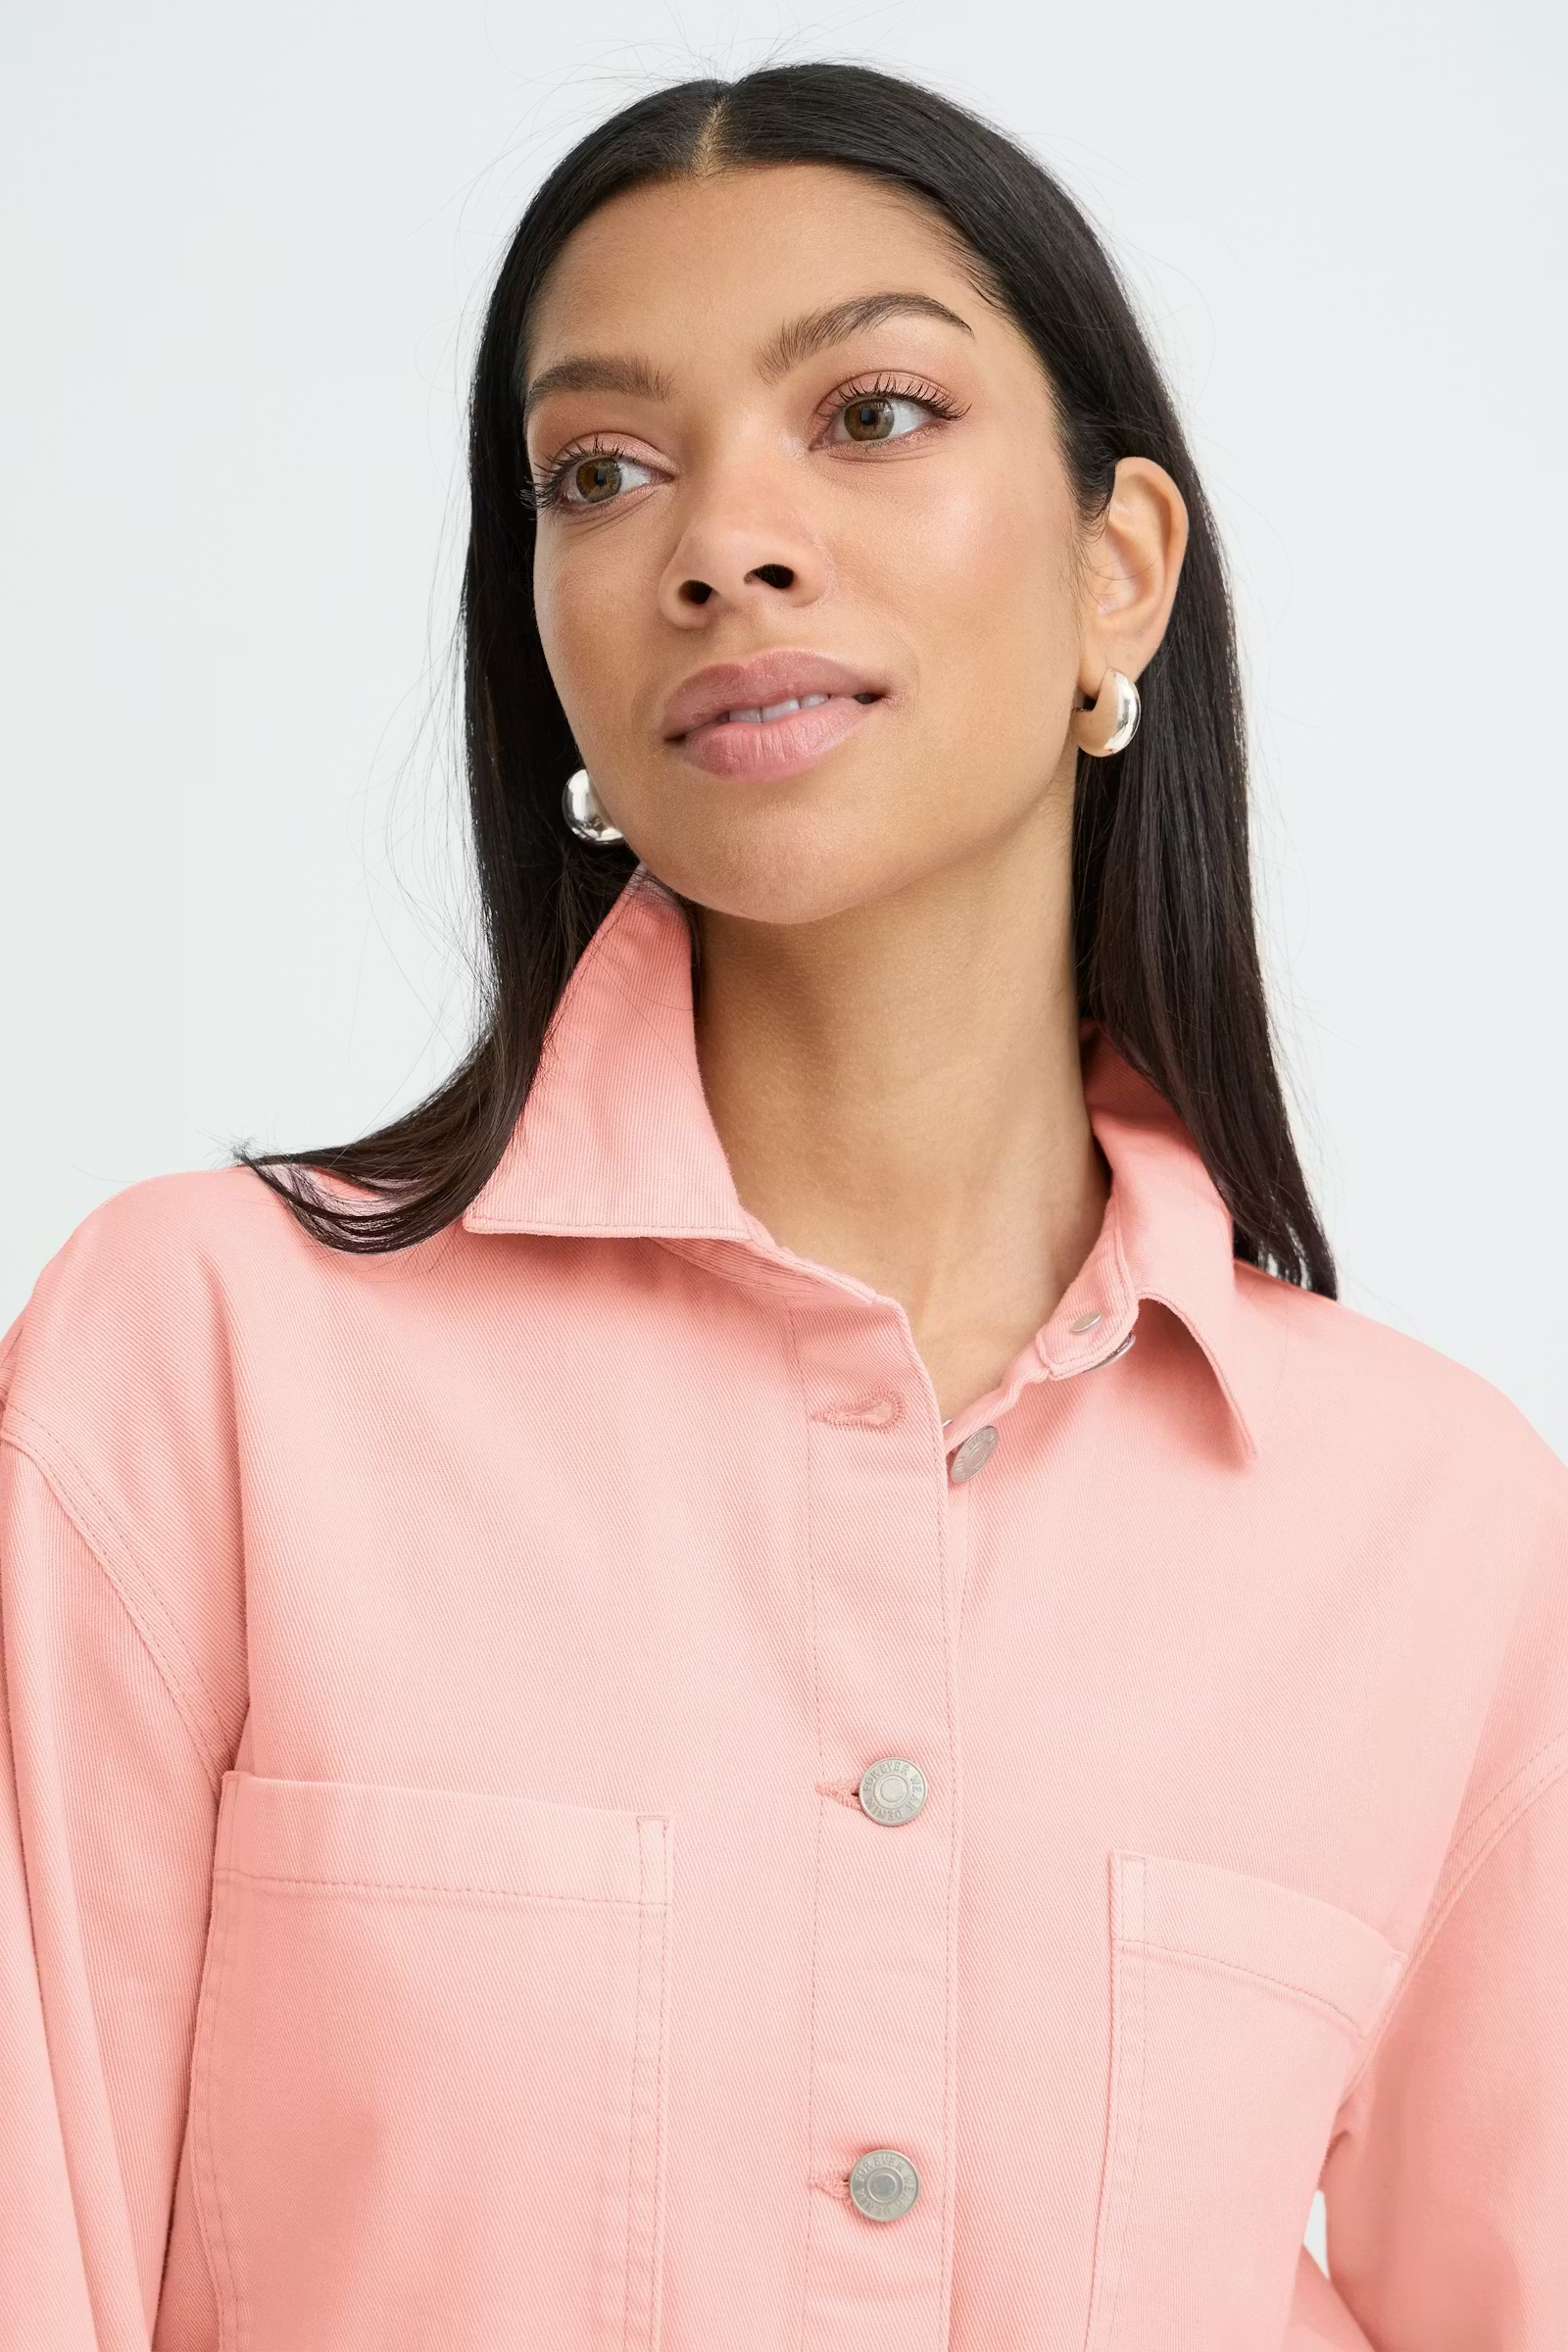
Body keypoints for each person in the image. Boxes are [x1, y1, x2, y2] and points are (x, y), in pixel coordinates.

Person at [2, 60, 1564, 2352]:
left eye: (871, 415)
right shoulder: (199, 1371)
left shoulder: (1434, 1528)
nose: (720, 542)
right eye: (600, 470)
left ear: (1117, 571)